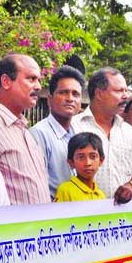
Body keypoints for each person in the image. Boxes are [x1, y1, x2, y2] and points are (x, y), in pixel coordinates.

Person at [0, 54, 50, 205]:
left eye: (38, 80)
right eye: (31, 79)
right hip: (11, 227)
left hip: (40, 226)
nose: (38, 86)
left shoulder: (24, 130)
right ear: (6, 81)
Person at [72, 67, 132, 204]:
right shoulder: (74, 127)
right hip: (83, 216)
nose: (125, 96)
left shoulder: (128, 131)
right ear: (99, 94)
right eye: (119, 91)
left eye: (126, 91)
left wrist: (131, 186)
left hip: (122, 218)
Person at [30, 65, 85, 199]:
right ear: (50, 100)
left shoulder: (78, 133)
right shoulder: (38, 134)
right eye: (63, 92)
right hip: (53, 213)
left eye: (75, 94)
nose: (70, 98)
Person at [54, 132, 107, 202]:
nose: (88, 163)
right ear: (71, 162)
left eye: (93, 156)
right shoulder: (65, 191)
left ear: (101, 160)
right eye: (81, 157)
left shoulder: (101, 195)